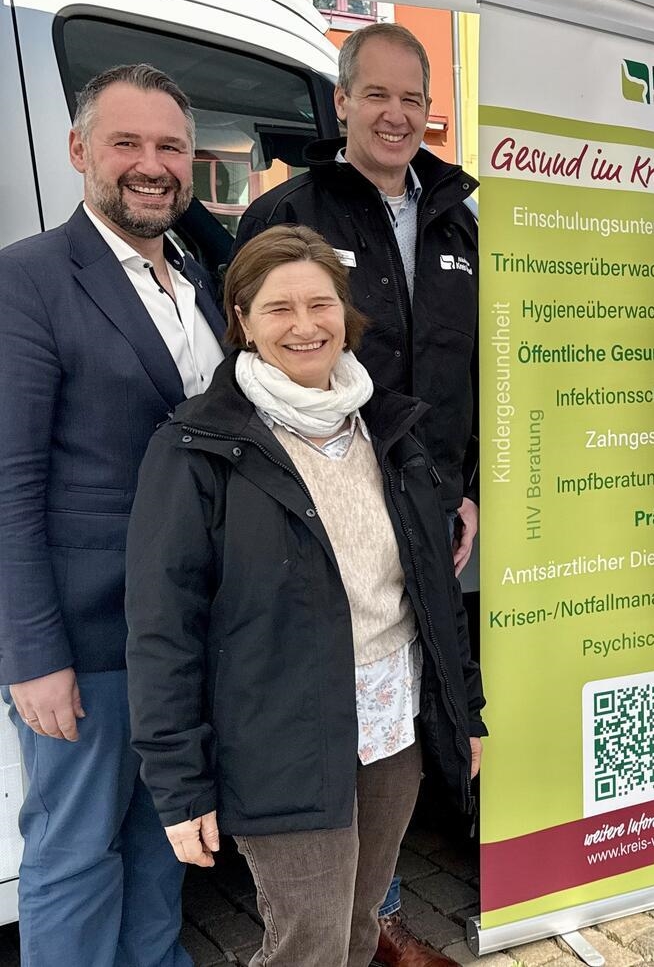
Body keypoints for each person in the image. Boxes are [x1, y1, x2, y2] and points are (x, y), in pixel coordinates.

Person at [124, 224, 486, 967]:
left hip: (392, 724)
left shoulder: (387, 428)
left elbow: (432, 591)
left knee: (359, 925)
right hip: (281, 735)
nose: (304, 324)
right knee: (308, 943)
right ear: (243, 321)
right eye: (277, 307)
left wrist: (463, 713)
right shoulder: (197, 448)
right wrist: (180, 785)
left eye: (320, 303)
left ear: (344, 314)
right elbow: (163, 628)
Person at [232, 22, 479, 965]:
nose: (395, 114)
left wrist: (465, 492)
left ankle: (373, 907)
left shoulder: (457, 221)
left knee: (399, 703)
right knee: (333, 698)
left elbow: (468, 373)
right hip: (325, 501)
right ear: (341, 103)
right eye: (375, 95)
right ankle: (342, 918)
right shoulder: (293, 211)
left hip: (427, 502)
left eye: (412, 99)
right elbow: (249, 360)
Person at [0, 63, 221, 967]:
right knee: (76, 849)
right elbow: (9, 485)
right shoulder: (32, 277)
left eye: (170, 146)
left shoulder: (198, 279)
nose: (151, 163)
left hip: (180, 628)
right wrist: (36, 655)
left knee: (161, 834)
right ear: (80, 150)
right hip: (87, 638)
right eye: (127, 142)